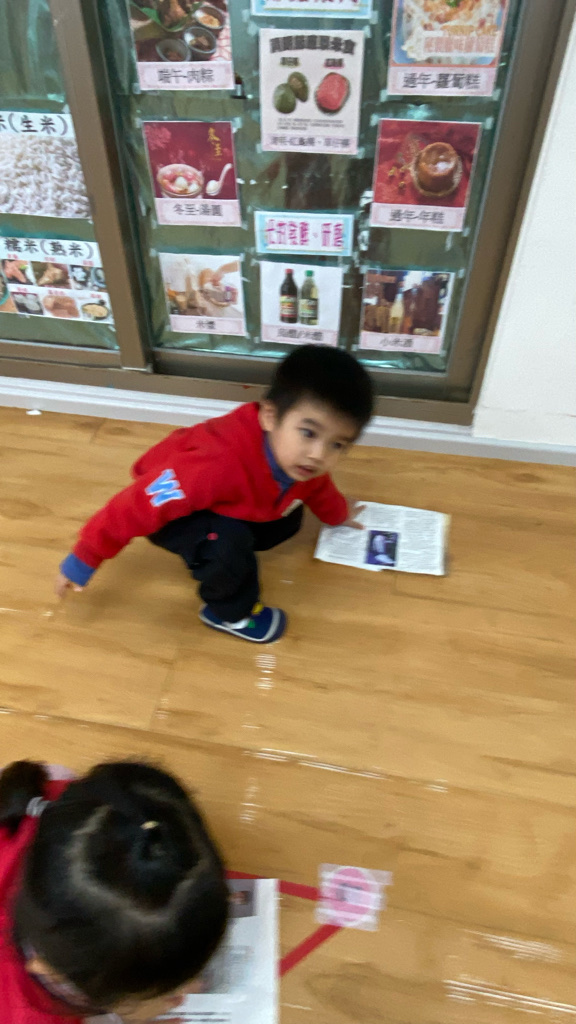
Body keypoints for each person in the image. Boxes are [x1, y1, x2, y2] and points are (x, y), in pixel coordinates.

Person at [56, 345, 374, 644]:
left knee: (289, 517)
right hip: (171, 510)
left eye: (337, 444)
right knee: (226, 546)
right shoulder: (215, 465)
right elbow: (135, 505)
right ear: (269, 416)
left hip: (222, 497)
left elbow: (318, 486)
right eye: (308, 433)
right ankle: (229, 614)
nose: (318, 454)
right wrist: (85, 557)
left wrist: (338, 515)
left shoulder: (300, 463)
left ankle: (228, 546)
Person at [0, 759, 229, 1023]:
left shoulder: (77, 813)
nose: (193, 990)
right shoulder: (24, 1015)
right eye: (167, 994)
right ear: (52, 974)